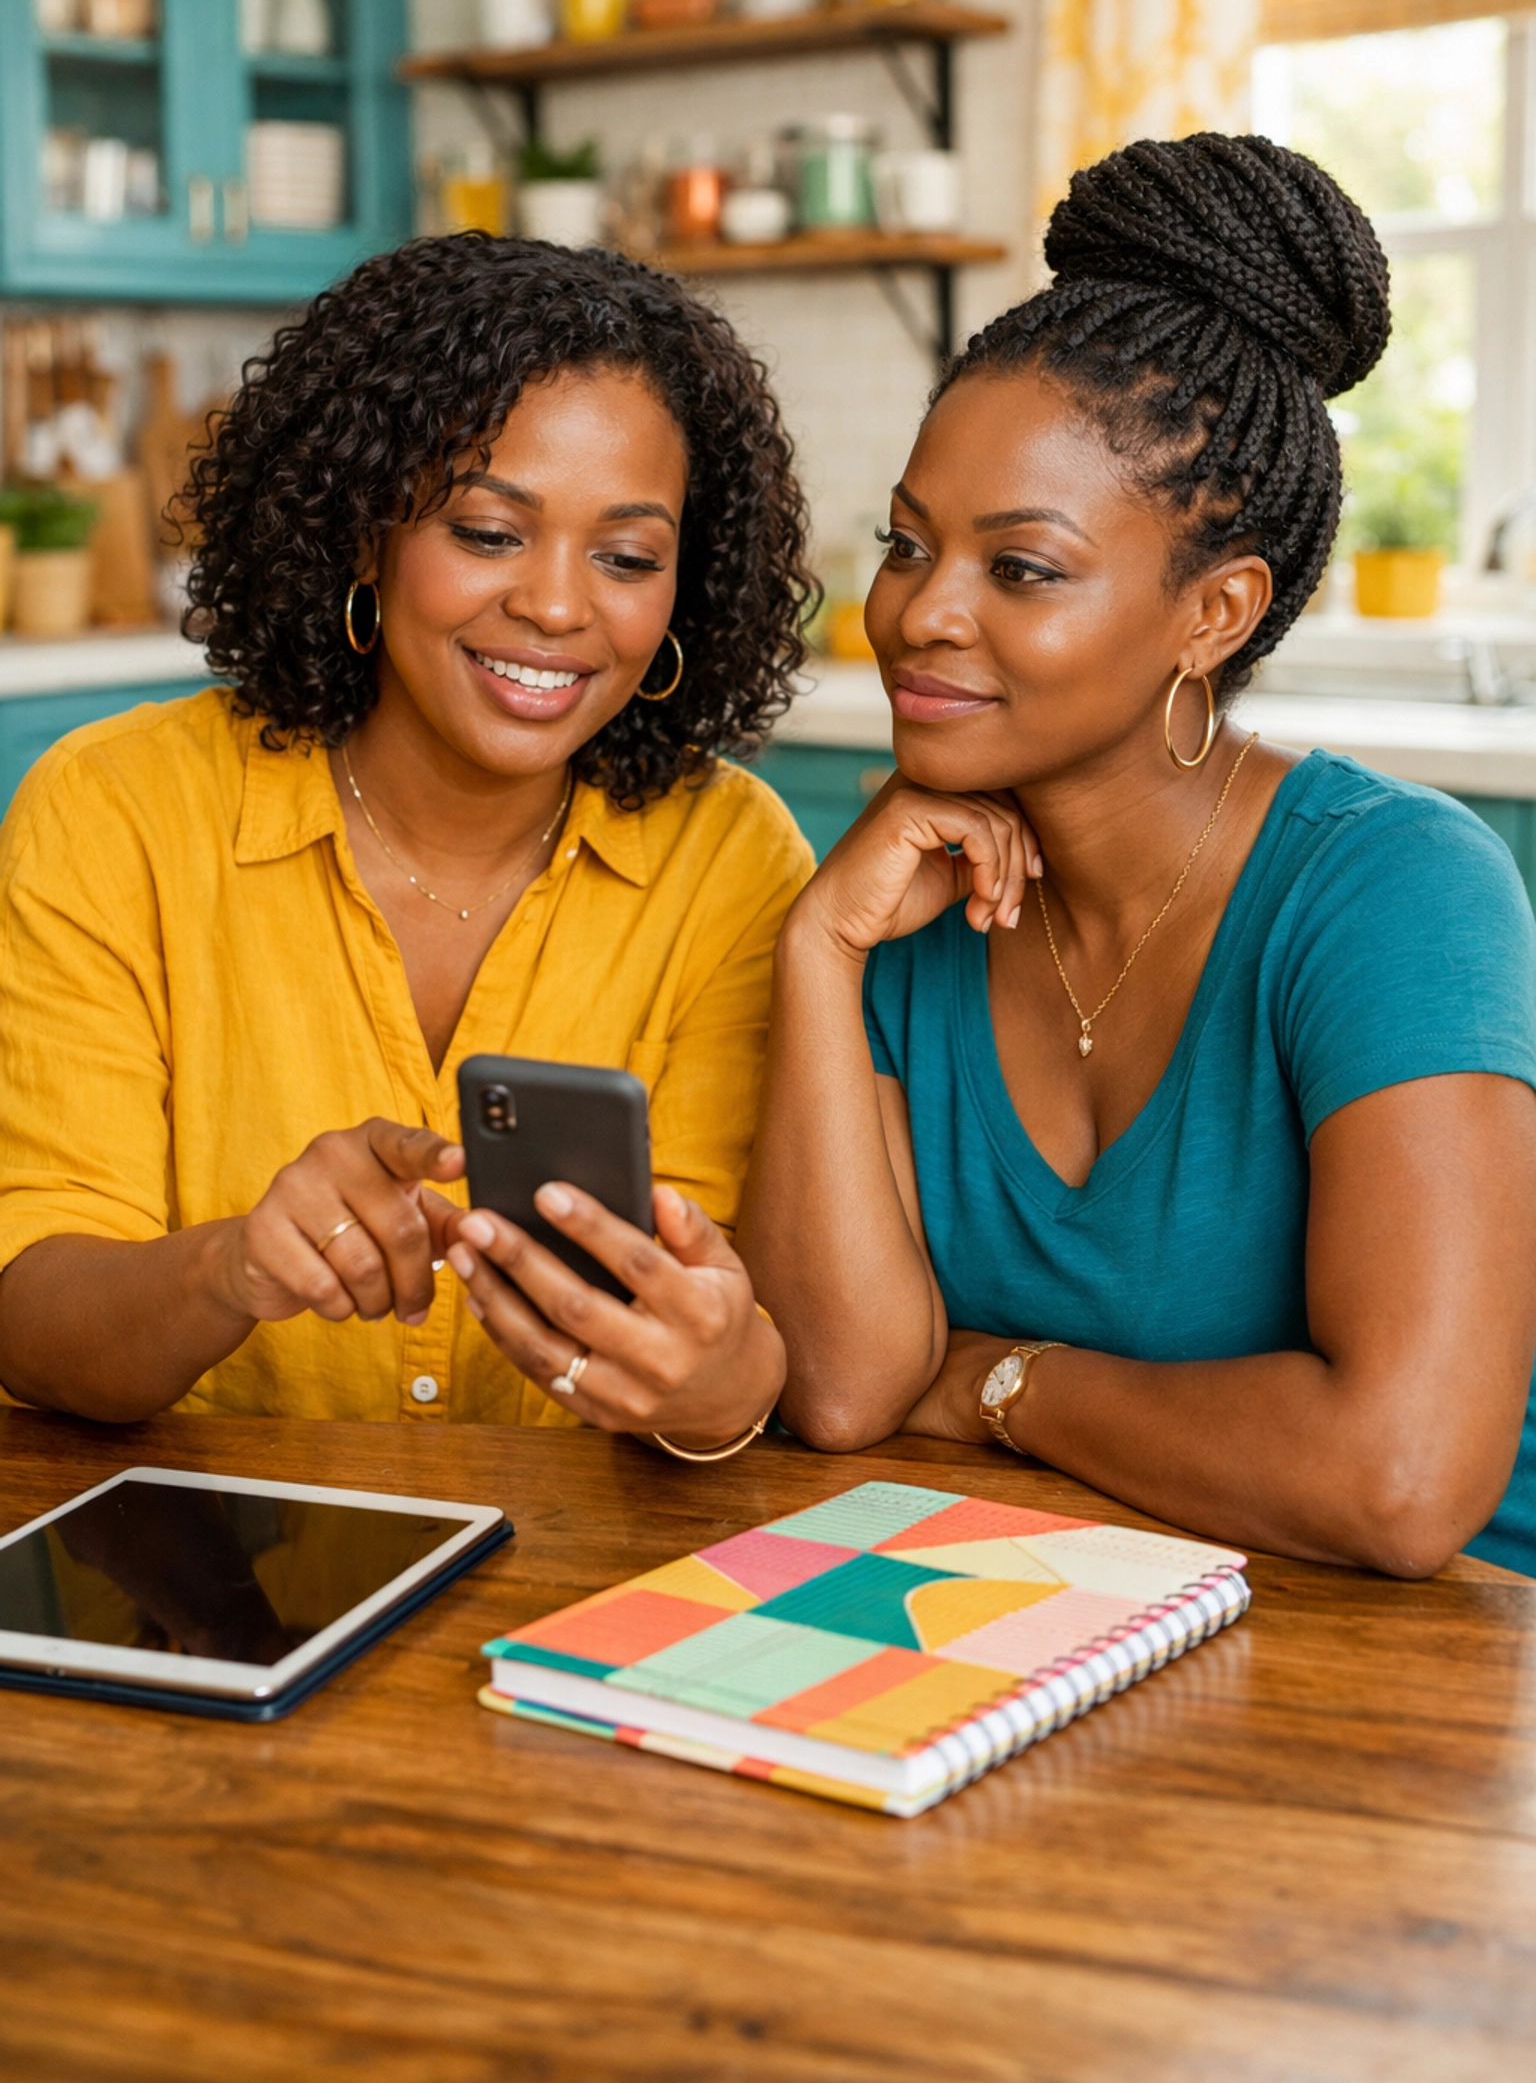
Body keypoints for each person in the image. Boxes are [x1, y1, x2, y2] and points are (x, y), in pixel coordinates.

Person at [741, 133, 1536, 1579]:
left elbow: (1402, 1481)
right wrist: (818, 952)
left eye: (1021, 568)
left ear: (1215, 613)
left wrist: (995, 1385)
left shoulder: (1391, 889)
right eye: (908, 545)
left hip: (1413, 1685)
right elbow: (850, 1390)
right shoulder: (900, 905)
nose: (920, 614)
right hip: (1038, 1627)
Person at [0, 236, 813, 1454]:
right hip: (209, 1577)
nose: (554, 604)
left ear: (682, 595)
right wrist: (234, 1268)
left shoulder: (732, 861)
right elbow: (32, 1325)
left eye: (628, 557)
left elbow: (729, 1333)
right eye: (489, 532)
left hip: (579, 1591)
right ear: (362, 535)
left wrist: (720, 1384)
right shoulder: (116, 810)